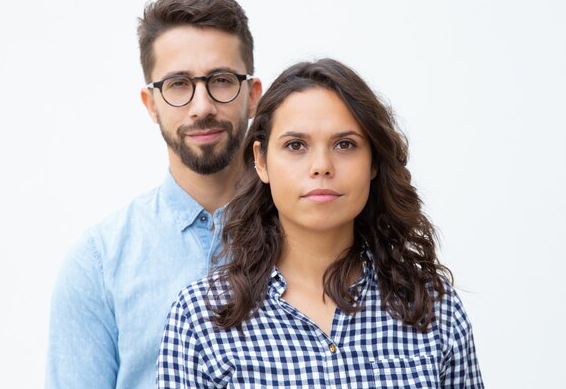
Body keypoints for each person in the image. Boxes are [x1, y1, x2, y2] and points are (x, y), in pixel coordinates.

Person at [157, 58, 484, 388]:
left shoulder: (432, 307)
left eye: (345, 144)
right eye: (296, 145)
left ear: (373, 162)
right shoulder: (200, 318)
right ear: (261, 160)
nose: (321, 166)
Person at [46, 0, 262, 389]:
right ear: (151, 103)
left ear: (252, 95)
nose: (202, 106)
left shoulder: (307, 234)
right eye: (178, 84)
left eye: (221, 80)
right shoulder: (98, 265)